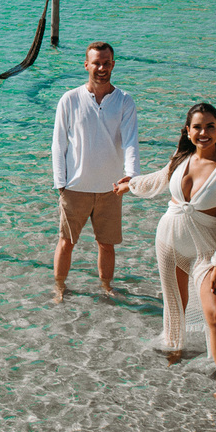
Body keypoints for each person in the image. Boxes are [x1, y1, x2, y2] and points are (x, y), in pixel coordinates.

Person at [113, 102, 216, 399]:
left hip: (206, 251)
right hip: (168, 242)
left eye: (210, 126)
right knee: (174, 303)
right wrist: (131, 185)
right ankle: (174, 349)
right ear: (188, 132)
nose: (204, 132)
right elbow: (158, 180)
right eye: (198, 127)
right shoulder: (181, 158)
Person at [51, 41, 140, 302]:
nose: (101, 68)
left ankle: (106, 287)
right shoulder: (69, 99)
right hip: (75, 187)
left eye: (106, 63)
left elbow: (131, 141)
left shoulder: (124, 100)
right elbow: (58, 144)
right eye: (96, 63)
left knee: (107, 244)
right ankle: (59, 287)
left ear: (113, 65)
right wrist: (60, 183)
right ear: (86, 65)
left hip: (110, 188)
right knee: (66, 242)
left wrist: (131, 177)